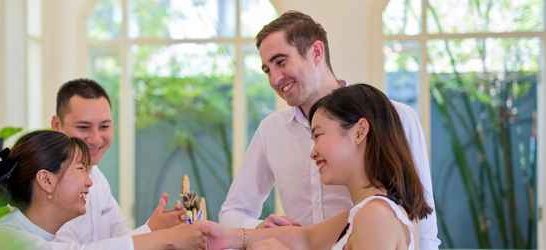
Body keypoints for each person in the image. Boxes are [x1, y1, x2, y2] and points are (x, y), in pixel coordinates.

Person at [218, 10, 441, 249]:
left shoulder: (393, 116)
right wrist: (261, 231)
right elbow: (236, 212)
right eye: (266, 70)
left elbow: (423, 227)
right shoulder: (270, 130)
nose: (274, 79)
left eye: (281, 62)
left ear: (316, 52)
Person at [207, 84, 432, 250]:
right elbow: (306, 238)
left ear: (360, 132)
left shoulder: (376, 216)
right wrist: (231, 237)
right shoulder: (364, 211)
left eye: (318, 135)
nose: (313, 151)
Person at [0, 130, 207, 250]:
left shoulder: (34, 233)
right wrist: (166, 239)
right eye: (80, 169)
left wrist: (152, 229)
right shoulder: (5, 239)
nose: (90, 183)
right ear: (46, 180)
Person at [50, 78, 204, 247]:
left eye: (104, 126)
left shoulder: (98, 177)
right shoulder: (47, 183)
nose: (95, 139)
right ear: (57, 125)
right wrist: (163, 237)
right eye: (83, 127)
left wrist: (153, 228)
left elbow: (122, 239)